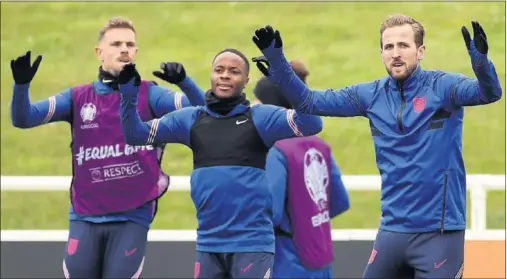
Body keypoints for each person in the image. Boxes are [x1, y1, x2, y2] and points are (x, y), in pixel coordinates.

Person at [251, 15, 502, 279]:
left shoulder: (444, 87)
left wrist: (481, 64)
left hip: (439, 235)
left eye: (403, 45)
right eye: (389, 47)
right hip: (391, 232)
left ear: (421, 50)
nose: (395, 53)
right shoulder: (369, 95)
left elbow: (489, 93)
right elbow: (310, 102)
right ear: (381, 52)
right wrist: (278, 62)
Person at [10, 16, 205, 278]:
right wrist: (21, 86)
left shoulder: (151, 94)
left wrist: (184, 81)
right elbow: (24, 119)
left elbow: (206, 113)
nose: (124, 49)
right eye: (116, 44)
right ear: (99, 52)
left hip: (132, 215)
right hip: (84, 215)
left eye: (130, 44)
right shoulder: (78, 97)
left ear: (136, 52)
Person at [117, 48, 323, 279]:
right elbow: (135, 135)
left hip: (252, 245)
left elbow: (311, 123)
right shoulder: (190, 119)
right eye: (219, 70)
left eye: (234, 71)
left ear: (246, 80)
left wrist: (284, 75)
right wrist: (128, 94)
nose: (225, 75)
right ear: (211, 75)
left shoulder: (260, 118)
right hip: (208, 244)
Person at [252, 58, 350, 279]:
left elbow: (272, 213)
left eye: (257, 101)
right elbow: (341, 202)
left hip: (286, 262)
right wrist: (309, 219)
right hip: (320, 259)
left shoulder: (277, 151)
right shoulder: (319, 145)